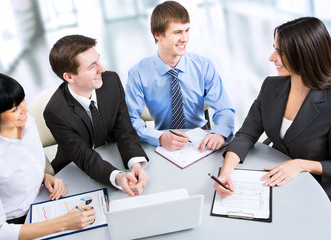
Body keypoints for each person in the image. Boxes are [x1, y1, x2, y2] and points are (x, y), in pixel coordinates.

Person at [214, 17, 331, 200]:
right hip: (271, 180)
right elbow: (246, 134)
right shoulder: (271, 86)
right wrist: (225, 173)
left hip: (316, 191)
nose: (271, 57)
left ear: (304, 54)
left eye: (280, 52)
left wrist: (302, 165)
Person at [0, 72, 95, 240]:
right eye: (15, 109)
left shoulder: (27, 123)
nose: (25, 110)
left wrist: (44, 178)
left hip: (41, 206)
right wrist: (64, 222)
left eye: (23, 101)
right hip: (15, 227)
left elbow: (23, 165)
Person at [44, 34, 149, 197]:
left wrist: (136, 164)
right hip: (75, 171)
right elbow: (85, 157)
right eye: (92, 66)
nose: (102, 69)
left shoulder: (111, 81)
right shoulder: (55, 112)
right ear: (69, 77)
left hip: (115, 155)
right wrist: (119, 177)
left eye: (98, 60)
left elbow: (124, 129)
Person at [125, 1, 235, 152]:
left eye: (187, 30)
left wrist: (219, 133)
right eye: (177, 32)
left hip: (202, 140)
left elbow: (225, 110)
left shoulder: (204, 66)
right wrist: (159, 138)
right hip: (163, 140)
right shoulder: (138, 73)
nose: (184, 38)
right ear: (158, 34)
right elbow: (130, 120)